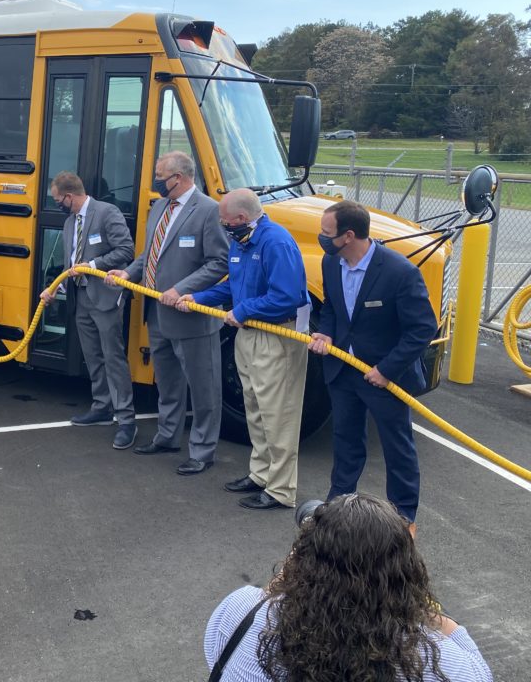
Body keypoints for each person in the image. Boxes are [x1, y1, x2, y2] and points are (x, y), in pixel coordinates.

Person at [204, 493, 493, 681]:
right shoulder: (434, 662)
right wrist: (419, 605)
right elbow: (481, 674)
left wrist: (288, 579)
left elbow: (214, 654)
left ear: (302, 558)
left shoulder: (241, 611)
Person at [307, 200, 437, 526]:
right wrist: (325, 334)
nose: (322, 238)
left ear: (349, 235)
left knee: (398, 449)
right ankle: (337, 509)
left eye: (327, 232)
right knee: (346, 441)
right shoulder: (330, 262)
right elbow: (332, 310)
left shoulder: (400, 272)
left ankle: (402, 517)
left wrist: (386, 370)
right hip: (343, 370)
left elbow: (422, 329)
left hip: (385, 377)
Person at [182, 189, 309, 510]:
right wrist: (197, 298)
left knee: (277, 413)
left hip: (275, 334)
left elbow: (287, 297)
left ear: (241, 218)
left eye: (225, 221)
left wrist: (244, 309)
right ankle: (261, 474)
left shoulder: (275, 242)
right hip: (248, 333)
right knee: (255, 408)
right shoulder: (241, 240)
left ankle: (281, 489)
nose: (223, 226)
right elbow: (231, 285)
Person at [106, 151, 228, 475]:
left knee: (203, 387)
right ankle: (167, 435)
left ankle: (202, 450)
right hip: (157, 312)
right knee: (168, 380)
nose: (157, 181)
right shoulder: (159, 207)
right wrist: (128, 273)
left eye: (161, 176)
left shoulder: (209, 211)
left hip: (191, 315)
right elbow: (150, 254)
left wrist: (183, 288)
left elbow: (219, 262)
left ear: (180, 177)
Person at [40, 172, 137, 448]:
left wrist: (92, 266)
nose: (57, 203)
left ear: (69, 197)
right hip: (79, 296)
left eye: (58, 199)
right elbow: (69, 263)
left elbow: (125, 250)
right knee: (92, 355)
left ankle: (126, 419)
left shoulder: (107, 213)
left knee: (112, 356)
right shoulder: (71, 222)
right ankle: (102, 405)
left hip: (104, 296)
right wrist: (54, 288)